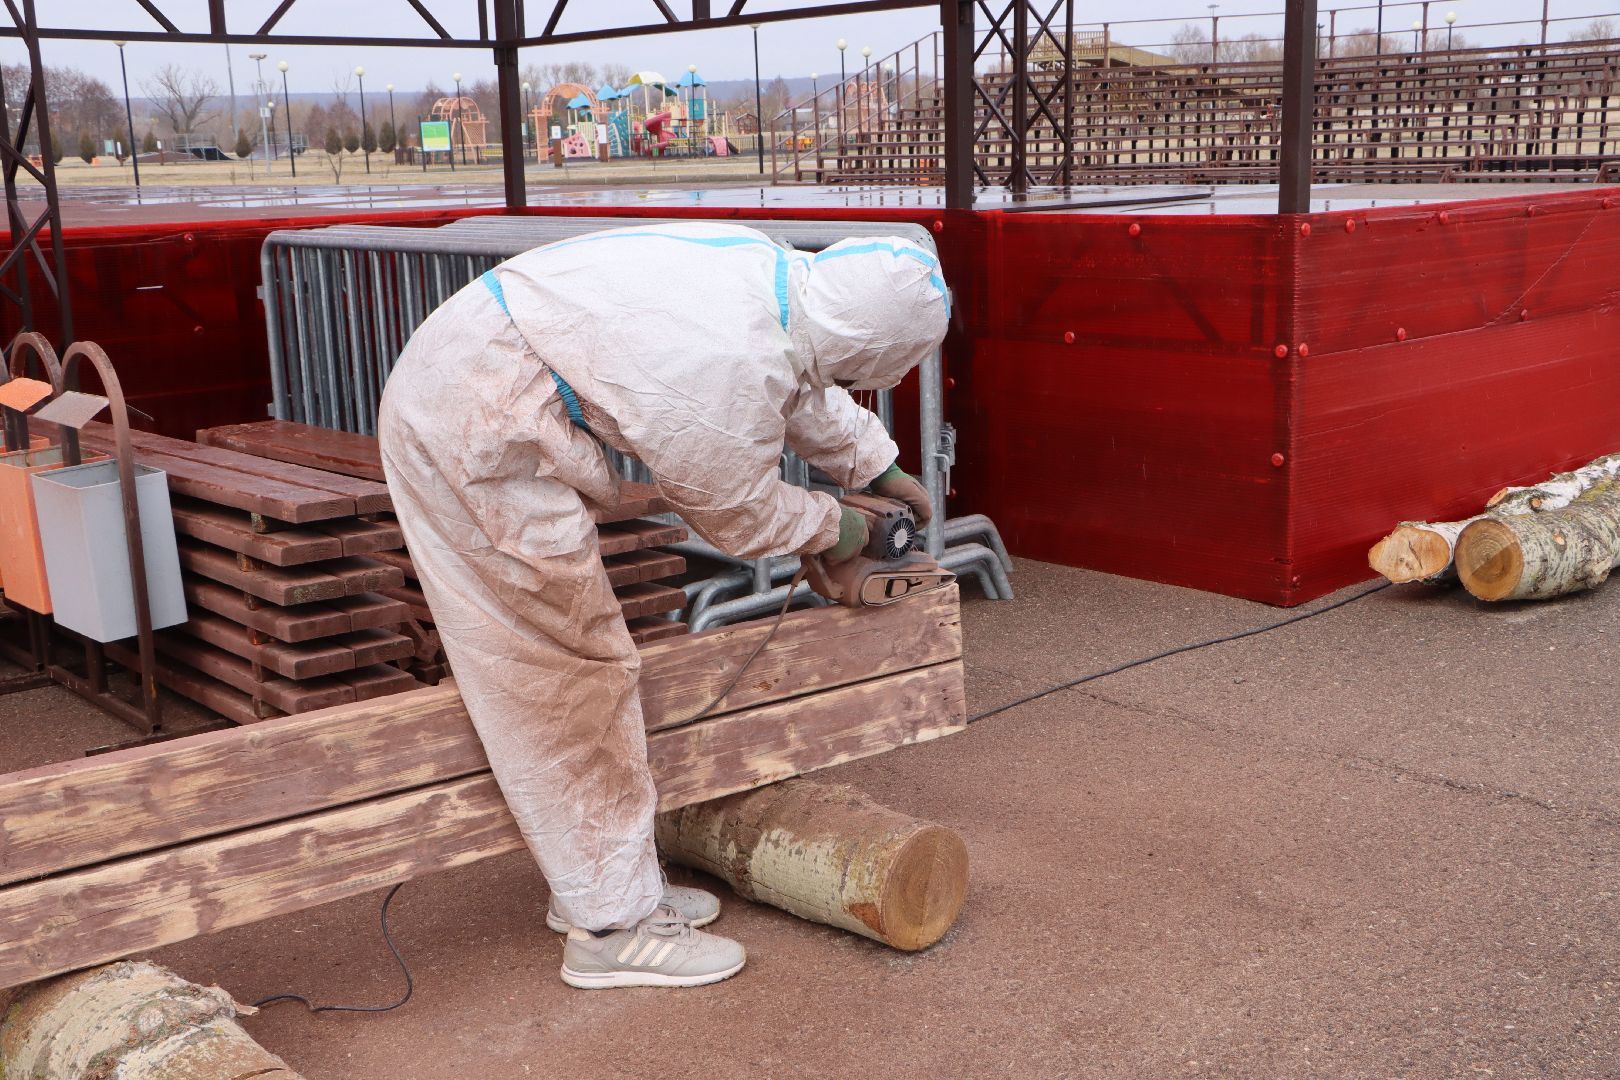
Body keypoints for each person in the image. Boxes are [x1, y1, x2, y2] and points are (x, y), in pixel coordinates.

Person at [378, 221, 948, 989]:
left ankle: (600, 884)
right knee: (564, 671)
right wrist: (842, 526)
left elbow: (805, 379)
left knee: (579, 667)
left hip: (484, 369)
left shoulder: (781, 283)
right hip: (470, 422)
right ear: (873, 350)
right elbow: (735, 512)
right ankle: (612, 929)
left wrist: (879, 470)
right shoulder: (718, 364)